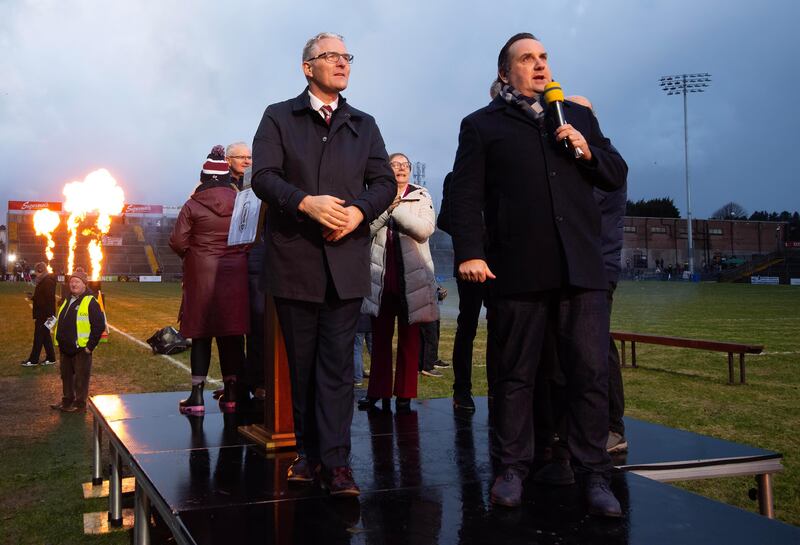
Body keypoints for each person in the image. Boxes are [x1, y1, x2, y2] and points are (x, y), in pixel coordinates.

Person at [448, 33, 627, 515]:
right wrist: (470, 251)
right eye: (528, 59)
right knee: (515, 374)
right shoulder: (482, 125)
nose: (541, 65)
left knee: (588, 373)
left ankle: (593, 474)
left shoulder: (576, 117)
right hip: (519, 269)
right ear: (506, 73)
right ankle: (511, 468)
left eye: (544, 57)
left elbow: (616, 173)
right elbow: (464, 196)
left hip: (581, 270)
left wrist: (588, 150)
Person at [251, 32, 396, 496]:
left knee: (337, 369)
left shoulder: (364, 124)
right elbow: (263, 177)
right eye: (330, 56)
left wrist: (358, 212)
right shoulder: (278, 116)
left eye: (346, 56)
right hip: (295, 264)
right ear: (307, 67)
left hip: (345, 264)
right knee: (304, 366)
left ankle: (336, 465)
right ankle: (309, 454)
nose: (341, 63)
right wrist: (305, 204)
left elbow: (384, 184)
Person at [170, 145, 249, 415]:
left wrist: (196, 254)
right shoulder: (241, 201)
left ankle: (197, 398)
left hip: (201, 276)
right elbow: (250, 239)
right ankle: (232, 395)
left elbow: (178, 241)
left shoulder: (192, 203)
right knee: (232, 336)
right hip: (234, 277)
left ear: (204, 177)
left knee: (201, 337)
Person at [359, 152, 437, 413]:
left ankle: (405, 394)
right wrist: (386, 208)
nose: (401, 169)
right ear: (387, 169)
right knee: (379, 340)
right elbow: (365, 230)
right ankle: (376, 393)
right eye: (395, 165)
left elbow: (424, 230)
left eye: (405, 165)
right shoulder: (374, 194)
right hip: (380, 277)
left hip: (411, 277)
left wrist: (398, 208)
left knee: (409, 339)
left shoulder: (421, 195)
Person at [437, 171, 486, 411]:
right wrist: (473, 235)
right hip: (471, 260)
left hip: (504, 261)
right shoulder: (455, 178)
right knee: (467, 327)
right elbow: (443, 219)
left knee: (504, 327)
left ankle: (500, 389)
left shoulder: (504, 173)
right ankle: (462, 390)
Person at [49, 269, 105, 413]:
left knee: (81, 378)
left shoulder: (90, 301)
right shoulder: (68, 299)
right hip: (65, 347)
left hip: (81, 348)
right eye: (71, 281)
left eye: (77, 282)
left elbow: (99, 326)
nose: (73, 284)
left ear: (84, 284)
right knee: (66, 377)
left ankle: (80, 405)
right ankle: (67, 401)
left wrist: (89, 347)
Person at [21, 262, 57, 367]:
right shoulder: (44, 281)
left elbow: (49, 299)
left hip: (45, 315)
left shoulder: (47, 281)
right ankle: (51, 358)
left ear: (40, 270)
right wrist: (33, 297)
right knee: (45, 337)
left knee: (38, 338)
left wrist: (50, 316)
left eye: (36, 271)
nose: (35, 274)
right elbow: (42, 298)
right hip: (45, 314)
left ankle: (33, 360)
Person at [418, 283, 448, 378]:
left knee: (434, 333)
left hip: (432, 303)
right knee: (430, 336)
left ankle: (432, 360)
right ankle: (427, 367)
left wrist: (439, 289)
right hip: (425, 304)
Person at [353, 313, 372, 387]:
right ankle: (378, 376)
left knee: (357, 351)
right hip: (371, 323)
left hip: (359, 324)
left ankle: (358, 378)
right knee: (374, 351)